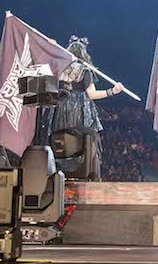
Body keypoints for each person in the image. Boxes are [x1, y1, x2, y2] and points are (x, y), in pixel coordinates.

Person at [45, 36, 124, 181]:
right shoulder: (85, 70)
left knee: (61, 141)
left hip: (61, 108)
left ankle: (58, 175)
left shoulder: (60, 67)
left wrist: (53, 47)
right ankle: (87, 174)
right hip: (79, 111)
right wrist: (112, 91)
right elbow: (92, 94)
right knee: (86, 141)